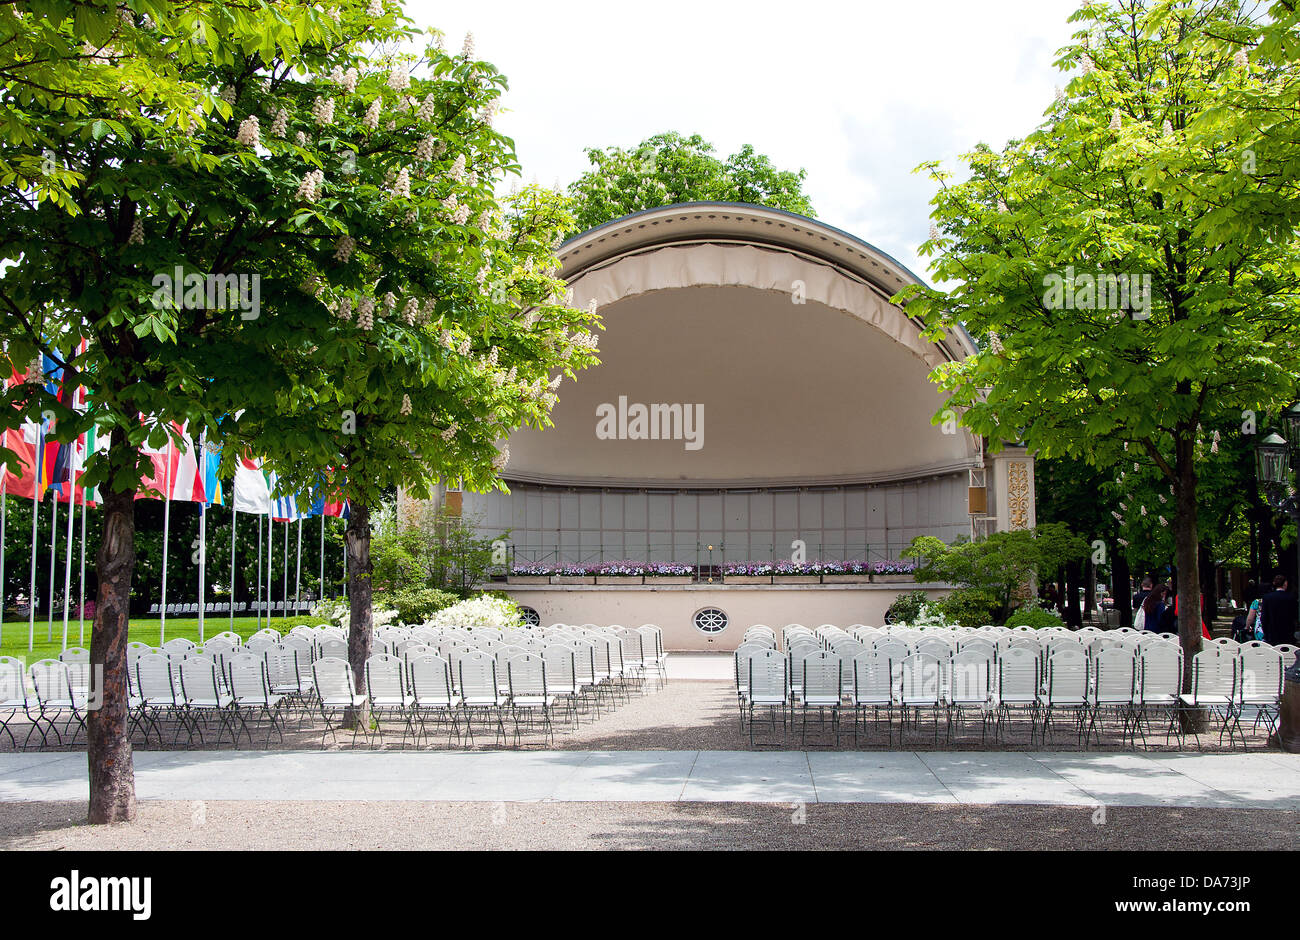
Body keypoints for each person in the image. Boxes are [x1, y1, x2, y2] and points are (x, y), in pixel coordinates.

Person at [1259, 574, 1299, 647]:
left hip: (1272, 632)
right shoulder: (1291, 597)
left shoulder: (1267, 598)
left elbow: (1264, 617)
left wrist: (1266, 632)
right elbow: (1295, 615)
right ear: (1285, 583)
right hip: (1288, 632)